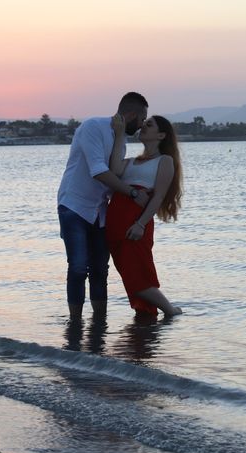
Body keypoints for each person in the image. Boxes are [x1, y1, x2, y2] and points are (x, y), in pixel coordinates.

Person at [57, 92, 150, 320]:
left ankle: (99, 324)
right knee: (78, 267)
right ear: (130, 115)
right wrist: (132, 192)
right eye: (142, 118)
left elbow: (116, 171)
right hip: (74, 206)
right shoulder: (92, 127)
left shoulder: (122, 140)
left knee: (100, 269)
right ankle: (75, 323)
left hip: (100, 211)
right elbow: (98, 171)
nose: (142, 125)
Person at [106, 114, 183, 317]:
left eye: (149, 125)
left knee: (137, 277)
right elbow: (113, 170)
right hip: (115, 222)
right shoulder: (131, 161)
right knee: (127, 275)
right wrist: (120, 135)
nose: (144, 126)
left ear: (161, 135)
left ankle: (170, 310)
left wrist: (141, 224)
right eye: (145, 123)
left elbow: (157, 197)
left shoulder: (165, 161)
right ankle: (145, 316)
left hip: (135, 223)